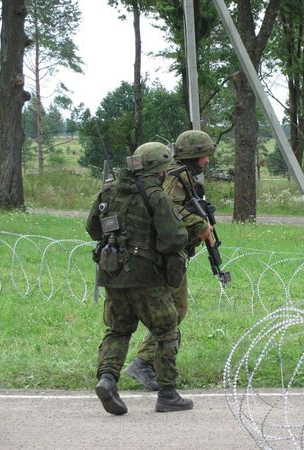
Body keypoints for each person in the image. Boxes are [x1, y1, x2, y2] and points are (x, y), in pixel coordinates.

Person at [86, 142, 193, 414]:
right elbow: (174, 237)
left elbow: (92, 228)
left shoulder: (109, 190)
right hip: (147, 276)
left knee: (118, 330)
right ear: (158, 169)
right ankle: (168, 394)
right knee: (166, 329)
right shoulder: (155, 195)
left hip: (113, 272)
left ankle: (107, 379)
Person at [124, 130, 215, 391]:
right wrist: (199, 224)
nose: (207, 161)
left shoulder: (182, 176)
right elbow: (169, 208)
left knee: (173, 310)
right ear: (192, 155)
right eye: (204, 156)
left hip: (172, 251)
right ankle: (144, 362)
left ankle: (148, 361)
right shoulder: (175, 177)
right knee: (175, 309)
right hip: (165, 254)